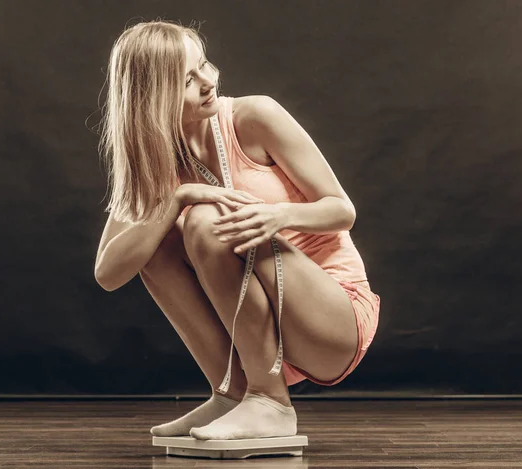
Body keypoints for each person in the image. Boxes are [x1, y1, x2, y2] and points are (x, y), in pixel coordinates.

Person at [94, 19, 381, 441]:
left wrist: (277, 217)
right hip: (257, 340)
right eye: (187, 79)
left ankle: (270, 403)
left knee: (208, 220)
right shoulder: (155, 166)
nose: (209, 80)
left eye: (205, 64)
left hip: (334, 320)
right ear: (152, 97)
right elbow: (109, 272)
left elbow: (341, 210)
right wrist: (176, 197)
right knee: (155, 242)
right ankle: (233, 393)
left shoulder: (253, 116)